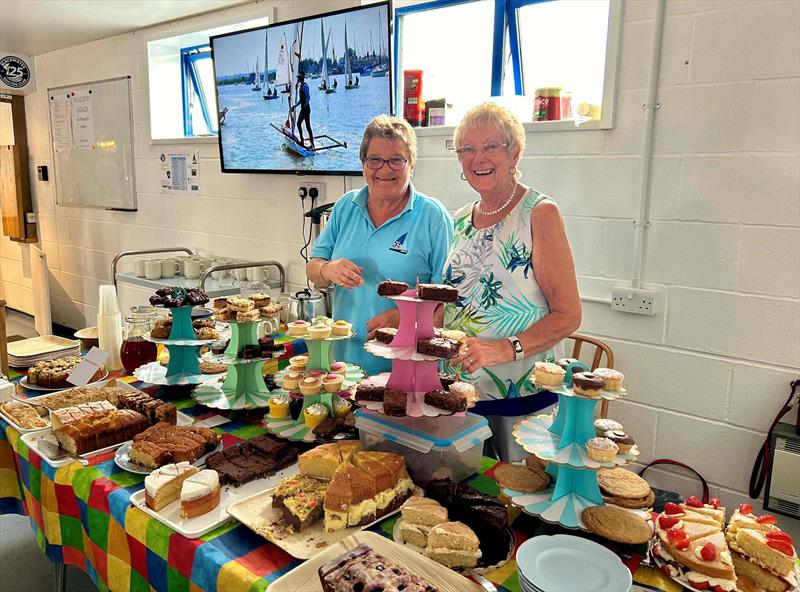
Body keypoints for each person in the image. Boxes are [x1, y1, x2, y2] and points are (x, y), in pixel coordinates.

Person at [444, 101, 582, 461]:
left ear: (515, 152)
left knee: (514, 506)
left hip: (522, 401)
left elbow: (568, 315)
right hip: (462, 396)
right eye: (468, 149)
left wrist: (504, 348)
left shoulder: (539, 213)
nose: (479, 158)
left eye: (491, 146)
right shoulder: (460, 219)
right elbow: (460, 303)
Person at [307, 115, 454, 374]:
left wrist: (407, 319)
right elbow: (313, 268)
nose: (385, 170)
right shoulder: (346, 207)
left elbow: (450, 304)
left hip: (408, 371)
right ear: (363, 163)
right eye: (375, 159)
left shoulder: (433, 217)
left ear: (412, 164)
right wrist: (327, 270)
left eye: (397, 159)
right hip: (344, 367)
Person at [295, 72, 314, 149]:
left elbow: (308, 97)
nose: (297, 79)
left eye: (298, 78)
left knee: (302, 125)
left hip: (305, 109)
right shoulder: (301, 86)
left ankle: (308, 143)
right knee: (302, 125)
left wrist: (305, 104)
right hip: (303, 108)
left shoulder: (305, 86)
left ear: (301, 78)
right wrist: (295, 106)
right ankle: (305, 141)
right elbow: (301, 100)